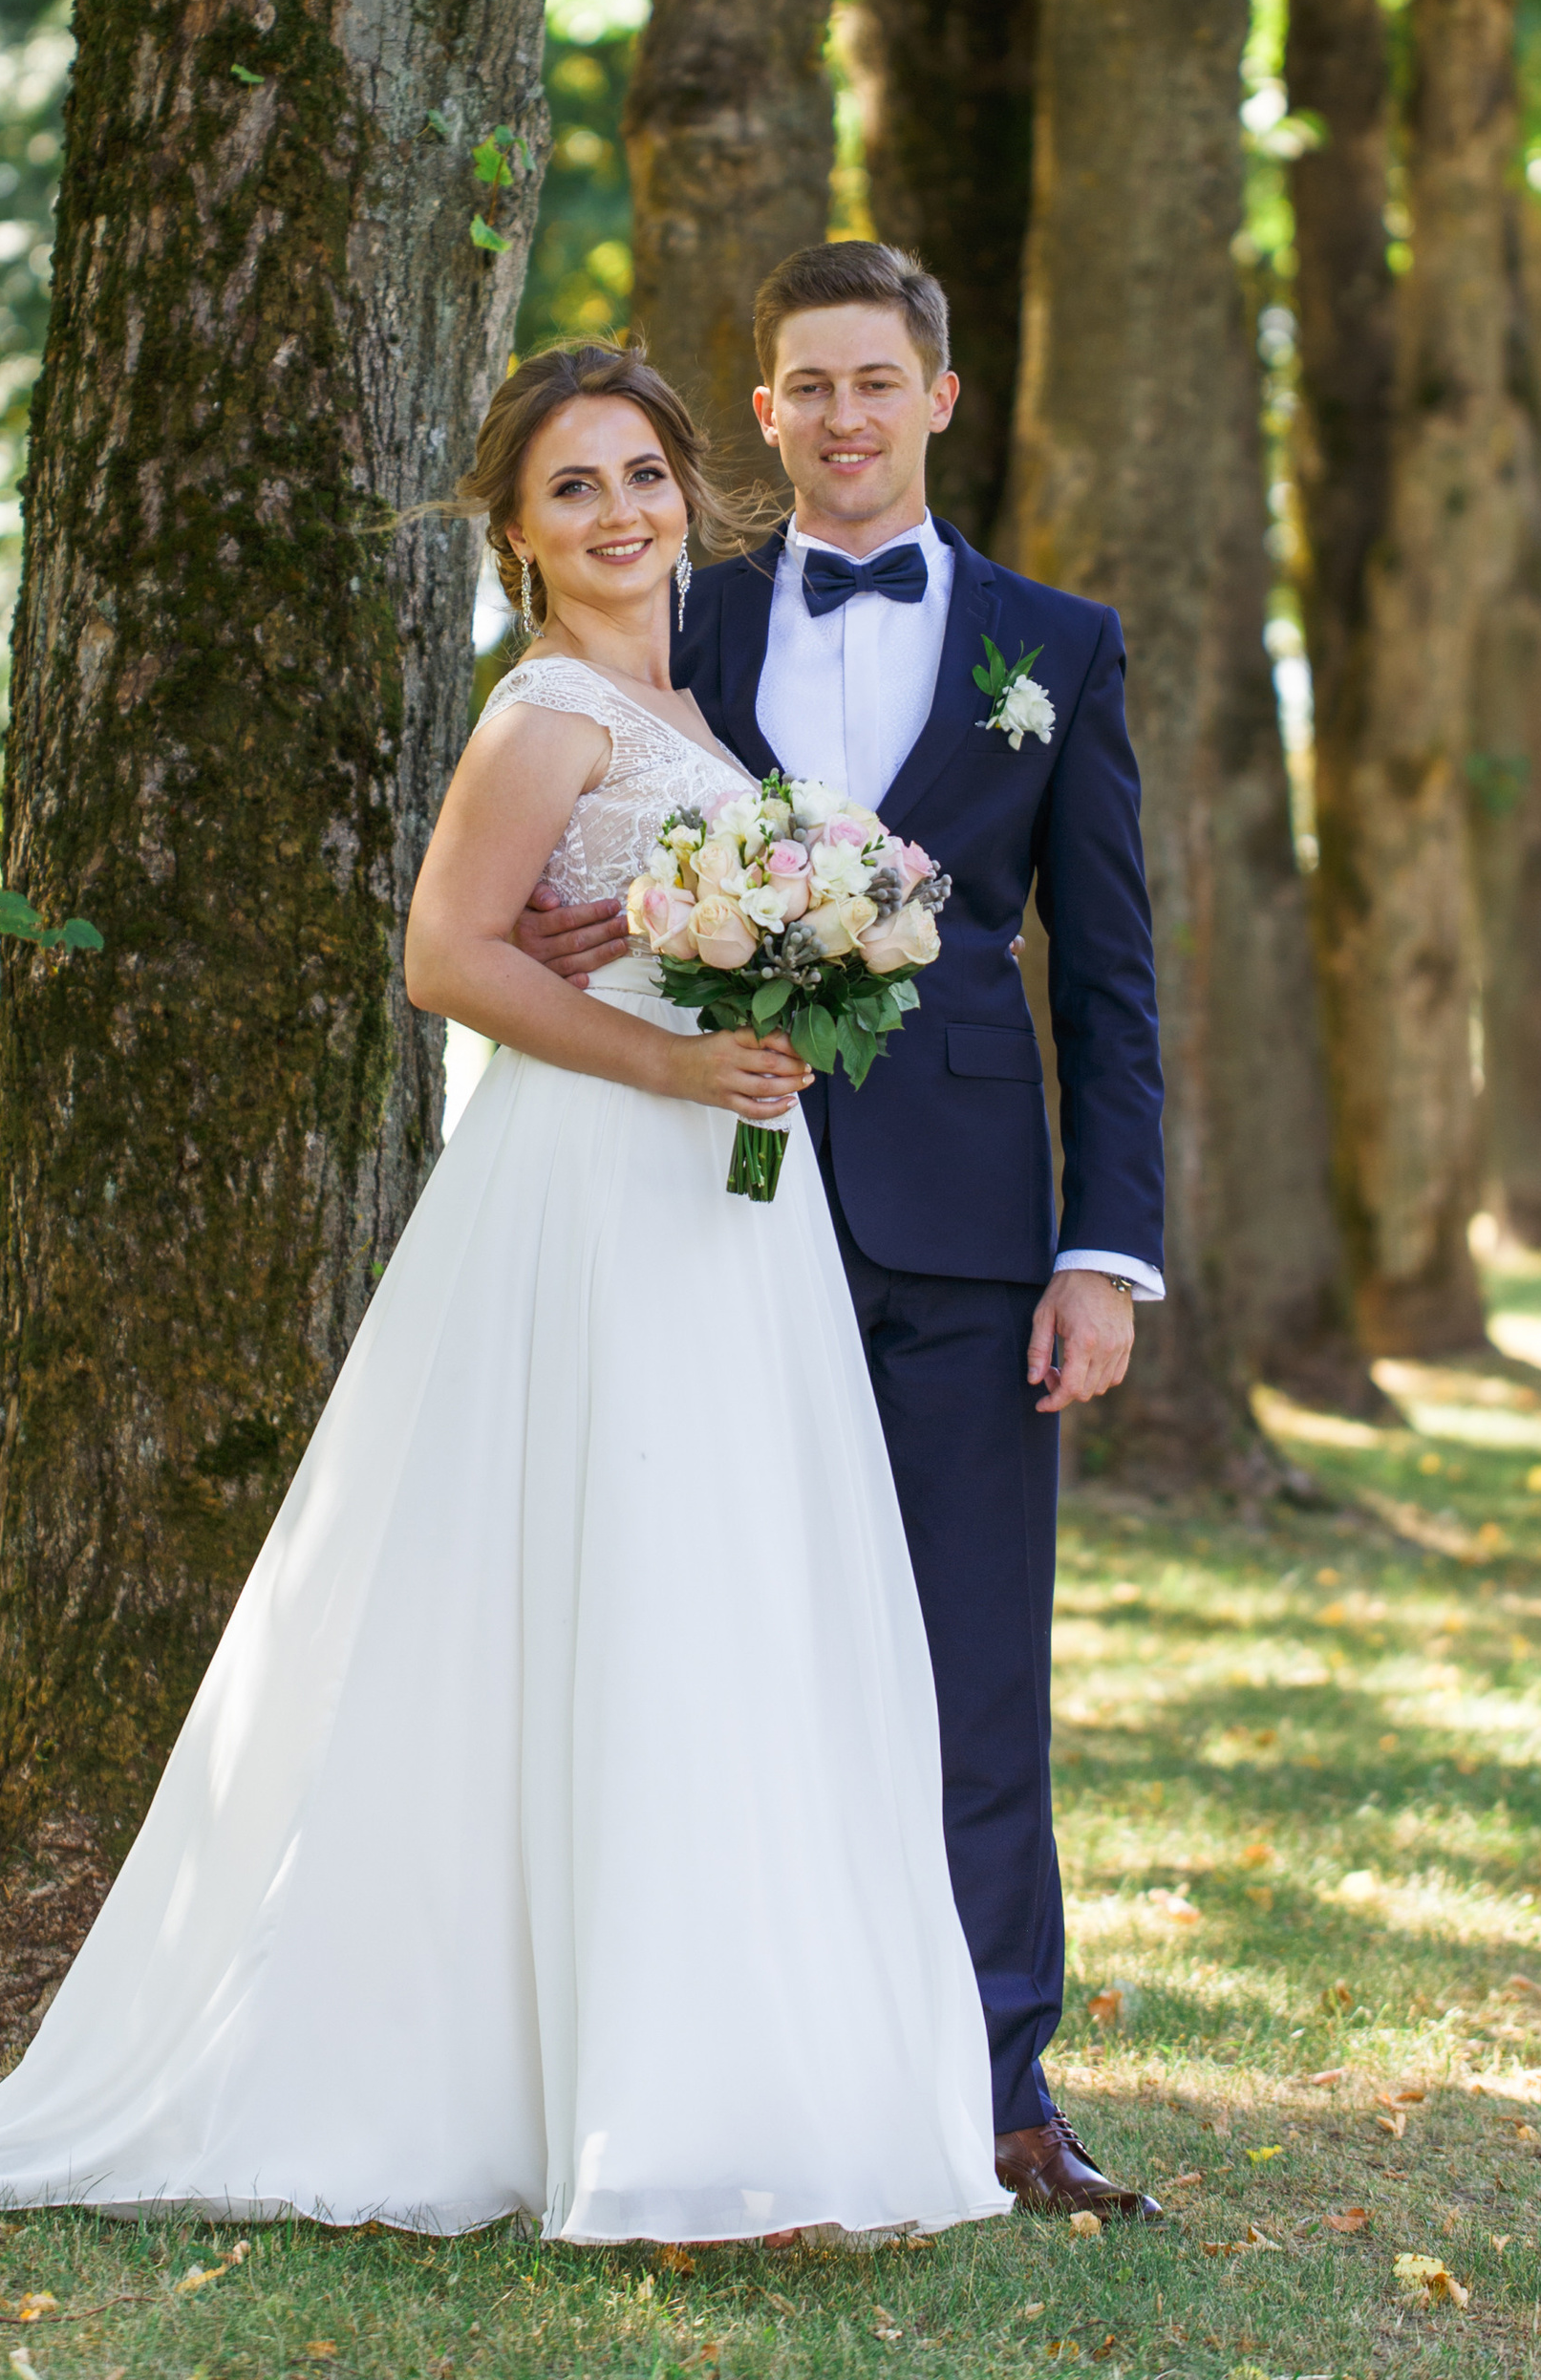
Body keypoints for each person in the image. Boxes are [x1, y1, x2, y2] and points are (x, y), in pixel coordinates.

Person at [0, 341, 1012, 2246]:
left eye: (640, 474)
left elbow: (620, 928)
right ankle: (578, 2091)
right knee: (611, 1578)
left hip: (722, 1190)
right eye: (571, 488)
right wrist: (666, 1060)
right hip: (602, 1188)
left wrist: (765, 999)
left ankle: (729, 2073)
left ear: (689, 497)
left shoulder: (687, 710)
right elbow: (443, 958)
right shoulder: (547, 707)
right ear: (515, 533)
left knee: (714, 1586)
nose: (617, 512)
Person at [517, 244, 1166, 2222]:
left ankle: (995, 2093)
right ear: (768, 411)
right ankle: (738, 2059)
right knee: (717, 1642)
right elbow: (583, 853)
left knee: (972, 1665)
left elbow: (1111, 977)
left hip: (967, 1236)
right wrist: (596, 932)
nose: (844, 419)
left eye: (876, 381)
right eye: (805, 387)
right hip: (707, 1210)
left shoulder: (1053, 649)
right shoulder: (667, 614)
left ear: (938, 397)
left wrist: (1103, 1251)